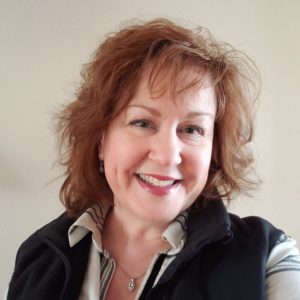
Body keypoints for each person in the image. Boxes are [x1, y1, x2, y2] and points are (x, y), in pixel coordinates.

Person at [7, 18, 300, 300]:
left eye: (192, 129)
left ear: (214, 149)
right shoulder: (40, 255)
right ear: (100, 139)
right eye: (143, 123)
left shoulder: (267, 259)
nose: (167, 154)